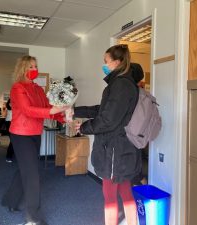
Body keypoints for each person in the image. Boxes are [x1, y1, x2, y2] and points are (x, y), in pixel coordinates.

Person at [74, 45, 142, 225]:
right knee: (125, 190)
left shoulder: (121, 84)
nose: (104, 65)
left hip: (115, 149)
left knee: (110, 196)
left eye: (106, 61)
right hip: (119, 146)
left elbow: (108, 120)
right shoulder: (121, 83)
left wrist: (83, 128)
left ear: (117, 62)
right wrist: (75, 111)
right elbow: (102, 110)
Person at [1, 55, 68, 225]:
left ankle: (10, 200)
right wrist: (53, 111)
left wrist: (65, 119)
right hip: (20, 134)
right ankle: (33, 218)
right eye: (30, 67)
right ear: (22, 69)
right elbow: (28, 110)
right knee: (32, 174)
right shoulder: (17, 88)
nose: (34, 70)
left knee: (25, 169)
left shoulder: (38, 89)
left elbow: (47, 108)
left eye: (35, 66)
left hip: (35, 134)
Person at [5, 98, 14, 162]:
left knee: (13, 140)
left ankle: (11, 153)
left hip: (12, 123)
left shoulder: (10, 108)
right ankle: (8, 156)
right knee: (13, 140)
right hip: (9, 124)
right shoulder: (9, 109)